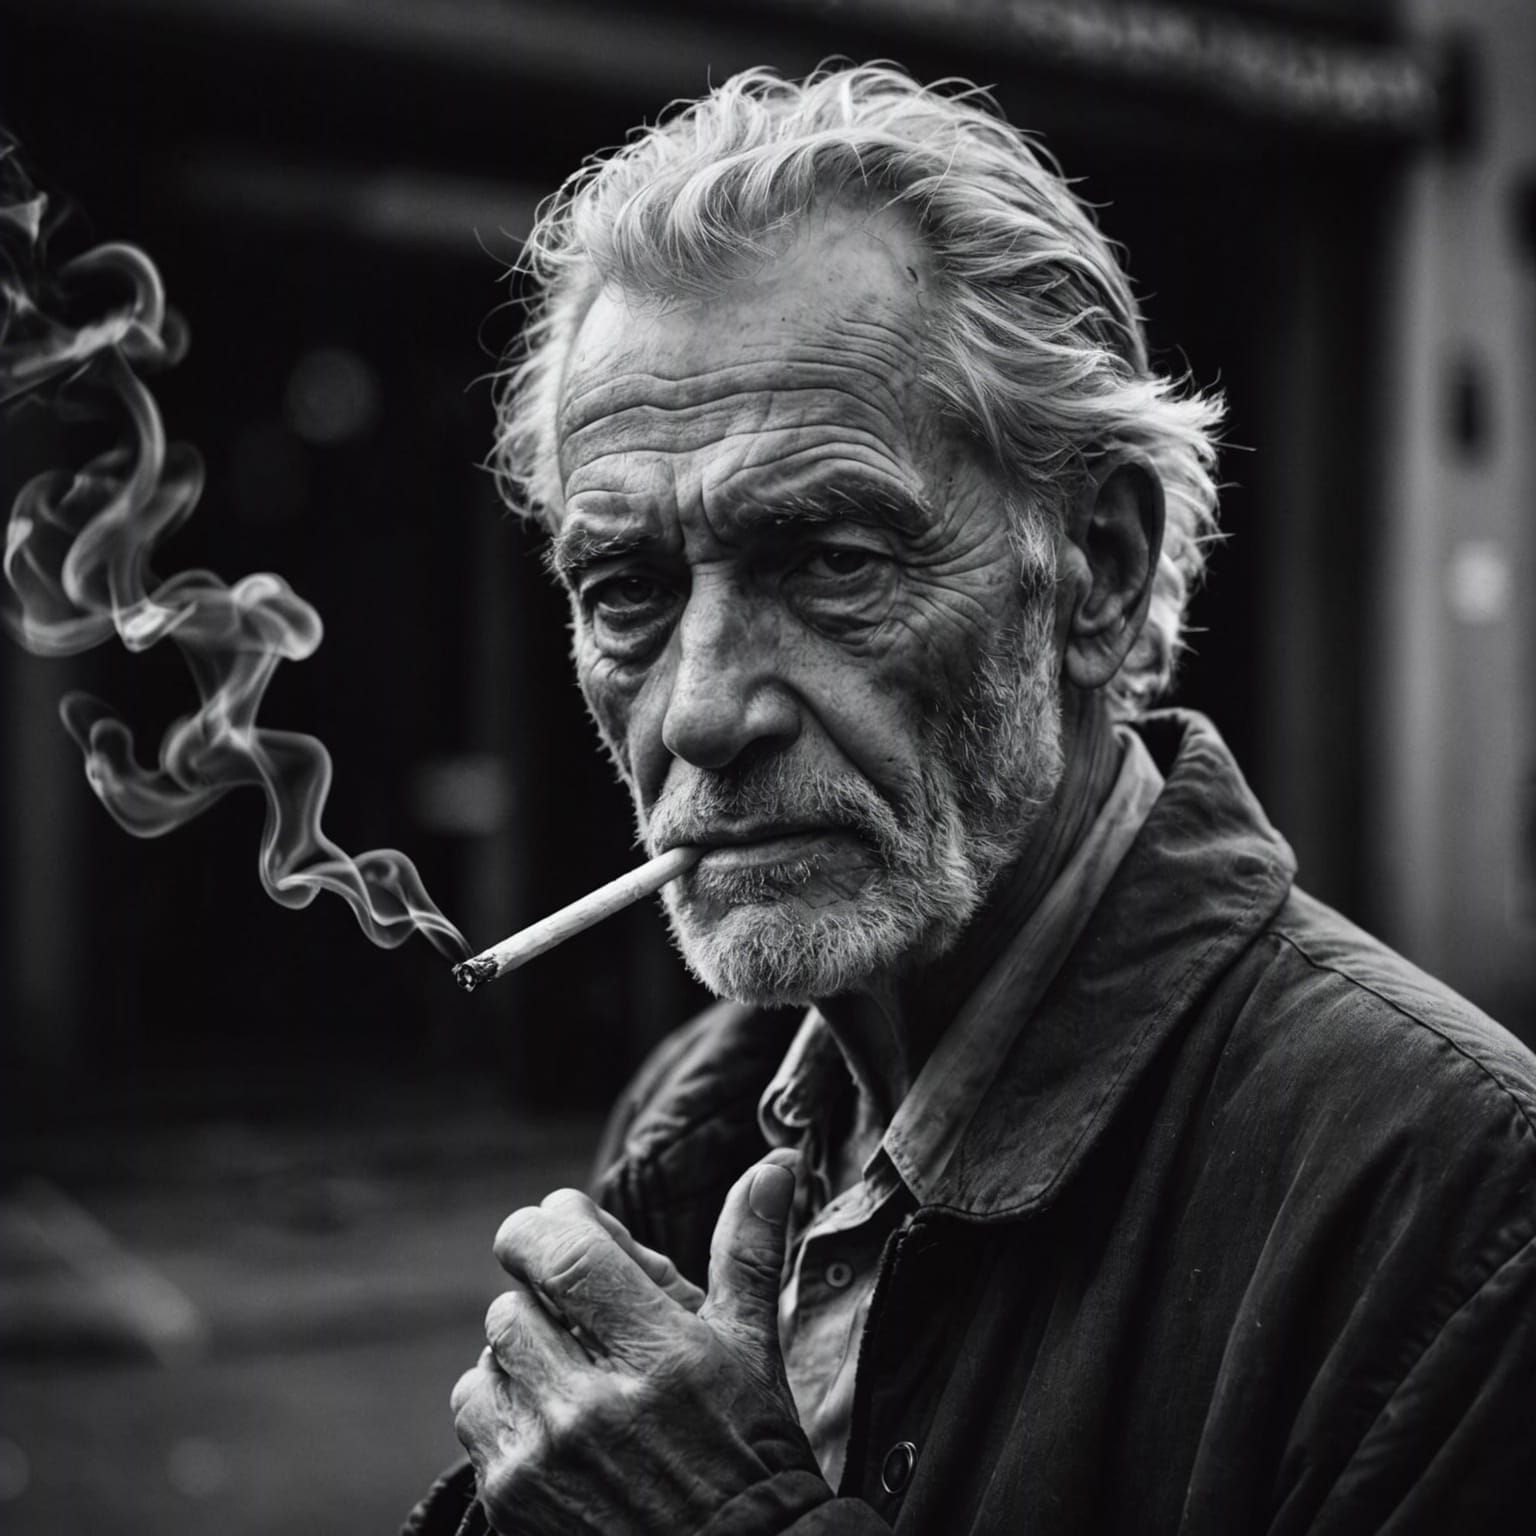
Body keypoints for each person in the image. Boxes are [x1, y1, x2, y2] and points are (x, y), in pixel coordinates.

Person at [406, 63, 1536, 1535]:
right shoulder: (696, 1125)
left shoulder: (1456, 1217)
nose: (698, 709)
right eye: (626, 592)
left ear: (1102, 570)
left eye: (832, 562)